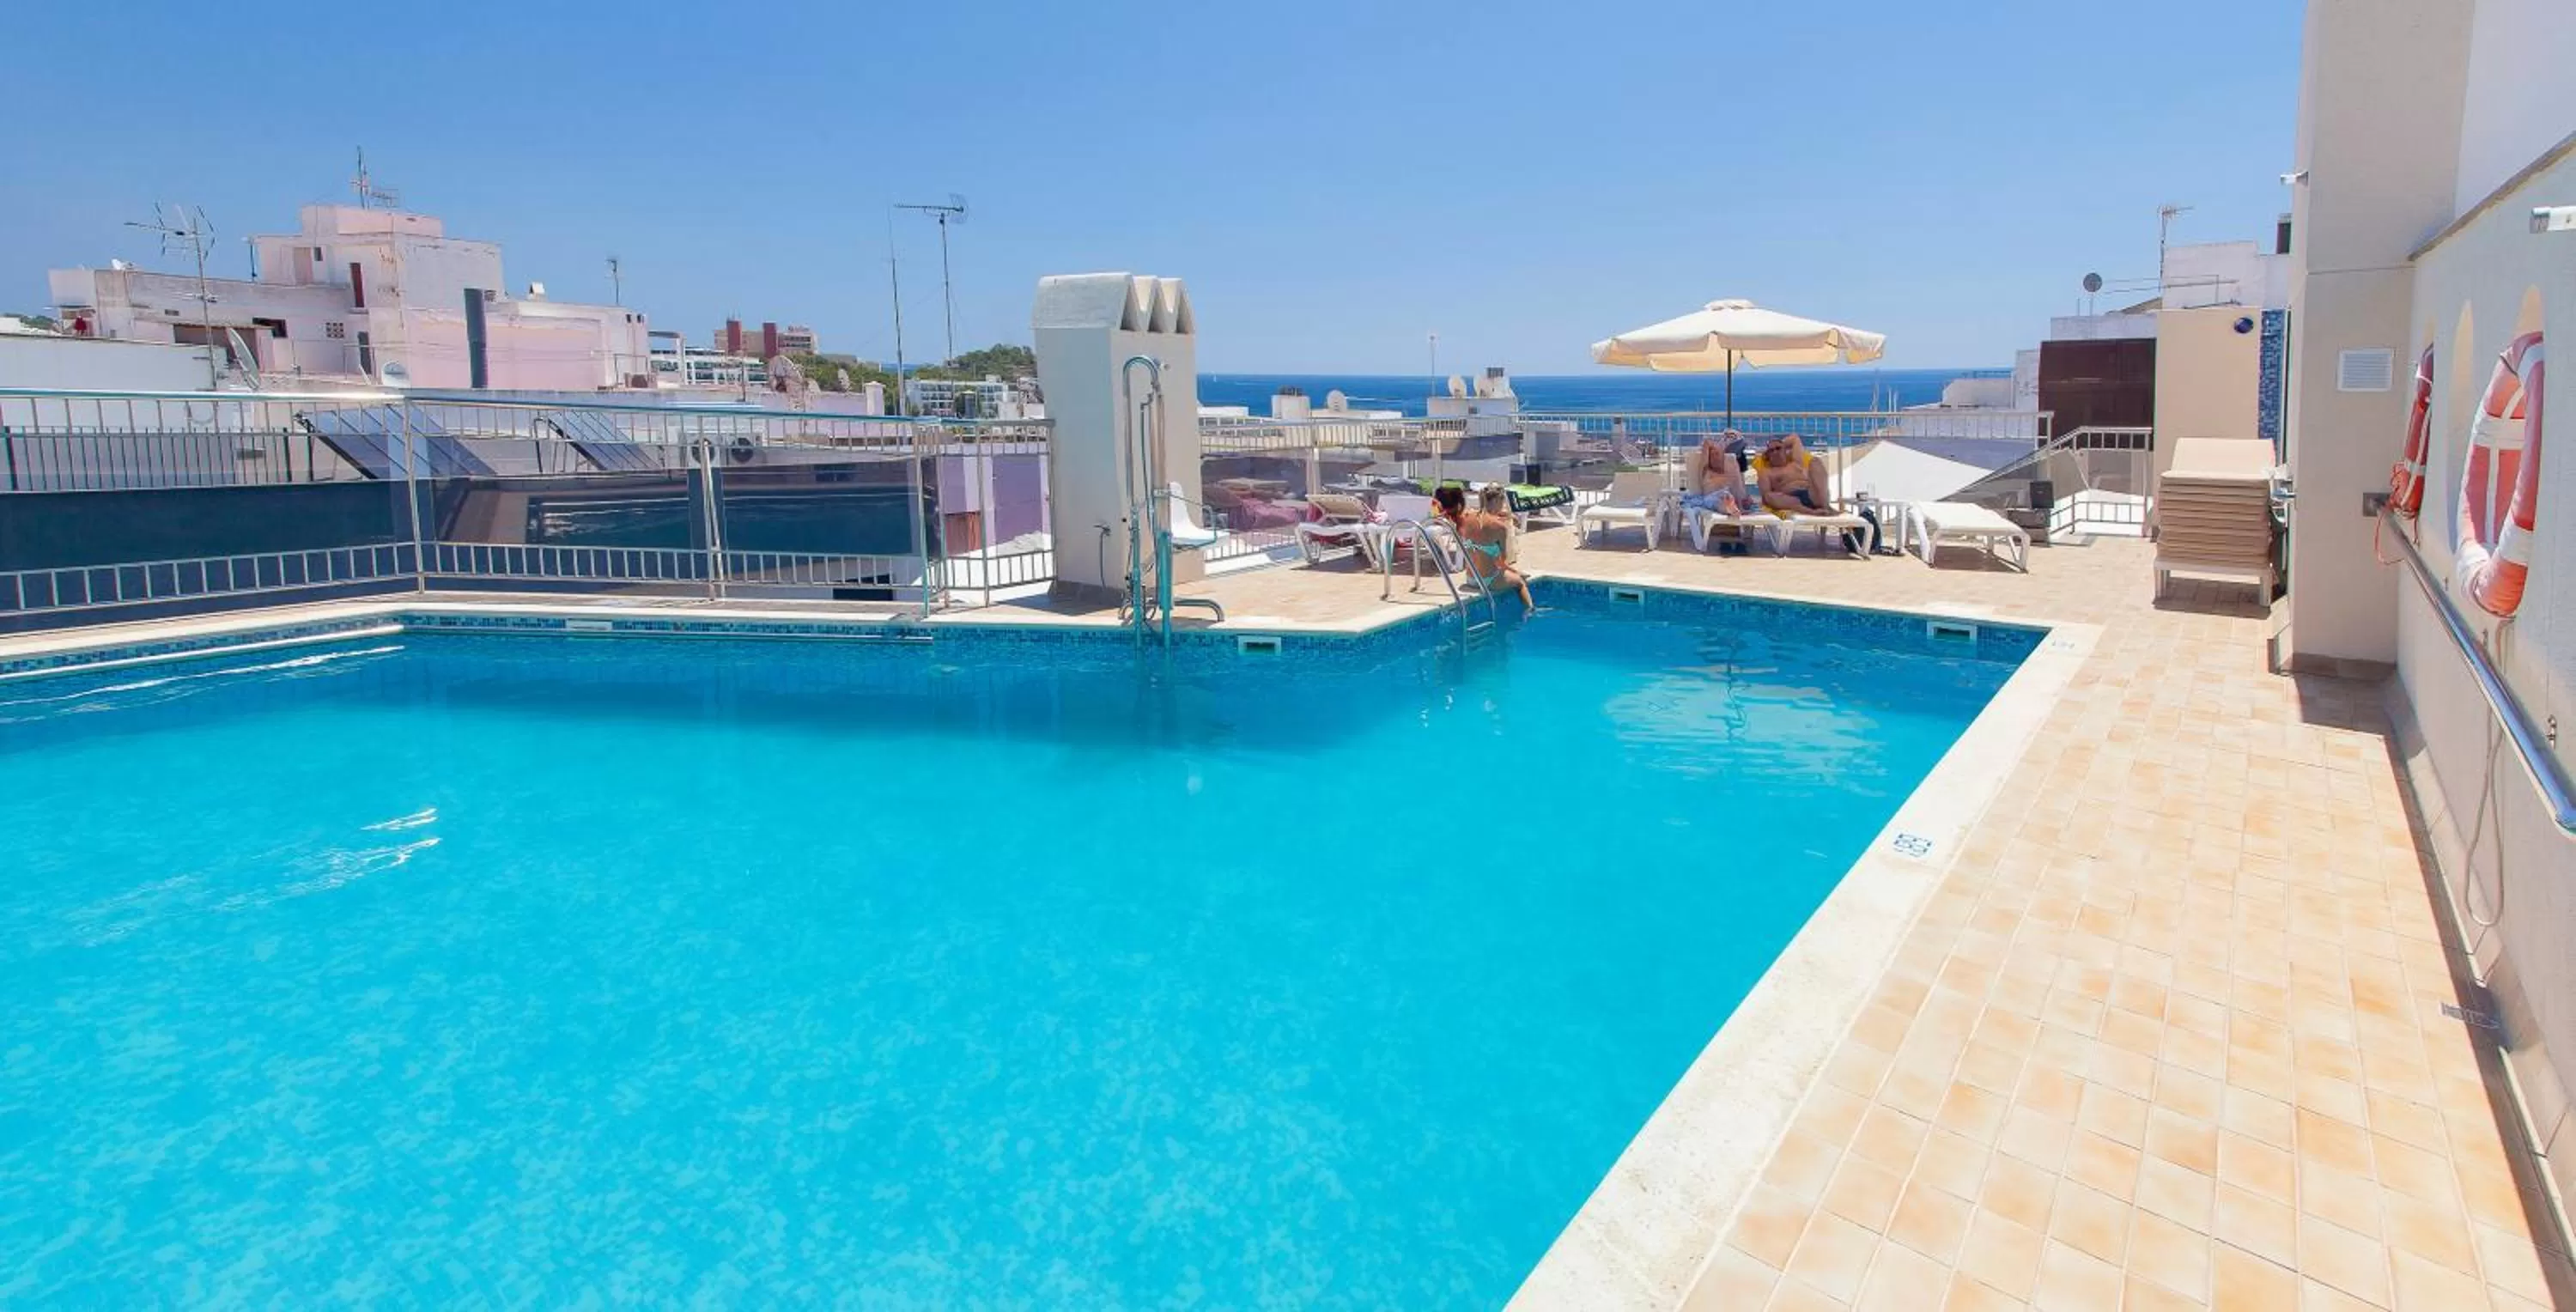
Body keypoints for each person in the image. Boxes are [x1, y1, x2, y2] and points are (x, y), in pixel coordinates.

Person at [1433, 484, 1536, 608]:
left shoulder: (1465, 519)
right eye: (1503, 503)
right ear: (1498, 501)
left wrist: (1506, 516)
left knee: (1512, 574)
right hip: (1489, 580)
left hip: (1471, 578)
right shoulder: (1500, 528)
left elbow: (1481, 518)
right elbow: (1501, 562)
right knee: (1520, 583)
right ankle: (1530, 611)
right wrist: (1517, 572)